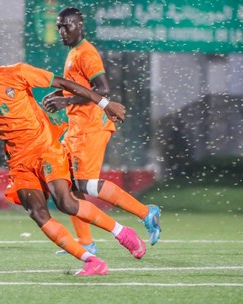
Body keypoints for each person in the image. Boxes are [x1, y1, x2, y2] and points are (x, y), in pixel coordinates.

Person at [0, 30, 146, 276]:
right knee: (37, 212)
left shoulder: (16, 73)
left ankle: (123, 233)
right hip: (19, 163)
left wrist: (104, 104)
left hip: (46, 147)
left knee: (65, 202)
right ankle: (91, 261)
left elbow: (64, 83)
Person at [43, 7, 161, 255]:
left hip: (91, 126)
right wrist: (61, 94)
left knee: (85, 184)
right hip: (77, 127)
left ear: (80, 26)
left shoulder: (86, 53)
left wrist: (66, 102)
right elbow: (82, 88)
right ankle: (86, 243)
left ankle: (145, 212)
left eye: (67, 25)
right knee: (70, 186)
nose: (63, 31)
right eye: (59, 27)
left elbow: (103, 89)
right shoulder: (73, 53)